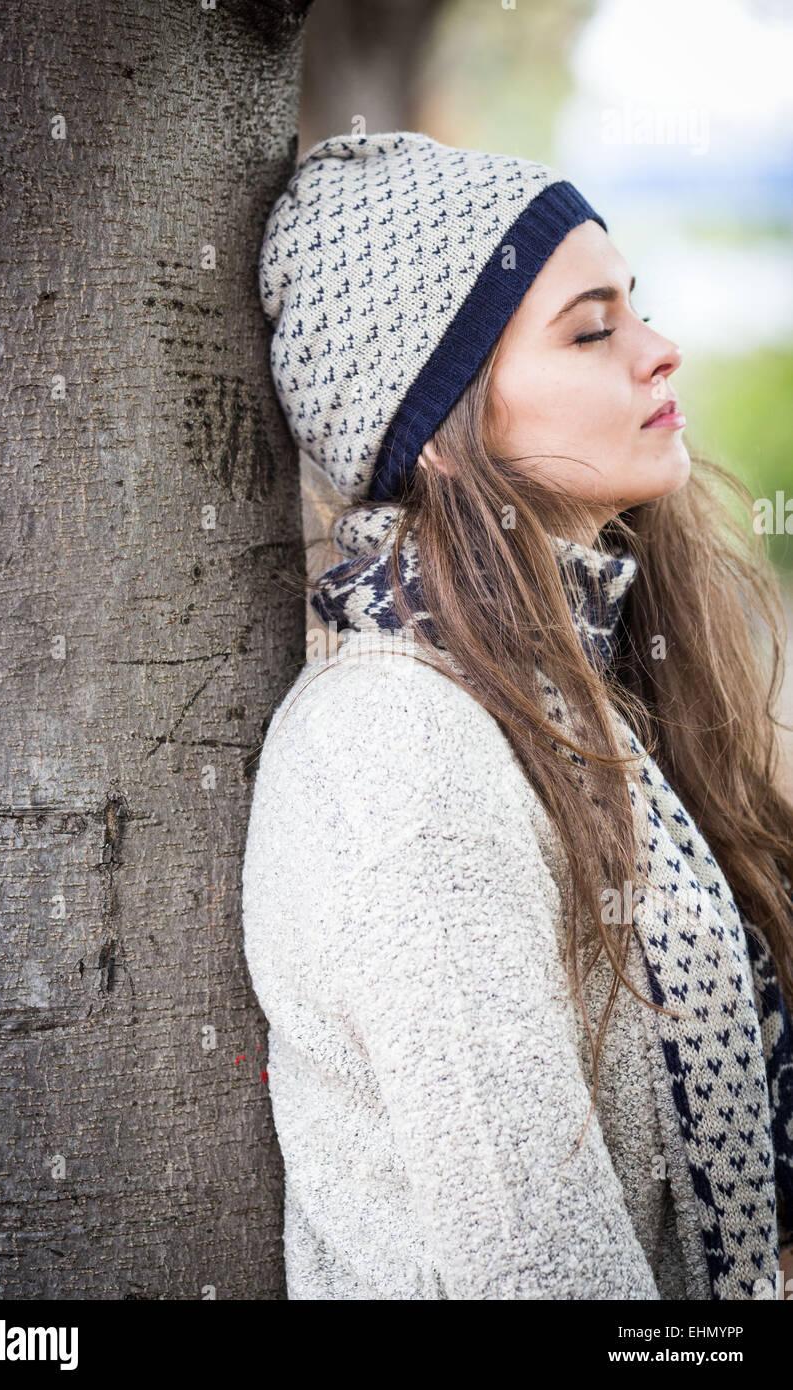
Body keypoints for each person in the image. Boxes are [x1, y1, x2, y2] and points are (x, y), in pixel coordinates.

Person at [242, 131, 793, 1300]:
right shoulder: (399, 744)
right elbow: (539, 1271)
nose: (658, 351)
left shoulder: (593, 678)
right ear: (441, 432)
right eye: (590, 330)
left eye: (631, 308)